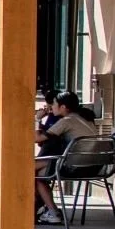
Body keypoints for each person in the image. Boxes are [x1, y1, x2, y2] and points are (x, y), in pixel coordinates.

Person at [36, 90, 96, 221]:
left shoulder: (67, 121)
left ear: (63, 107)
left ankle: (48, 211)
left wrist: (37, 118)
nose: (51, 106)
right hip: (94, 166)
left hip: (75, 166)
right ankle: (48, 210)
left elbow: (38, 138)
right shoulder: (85, 118)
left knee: (33, 171)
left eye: (54, 104)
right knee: (37, 169)